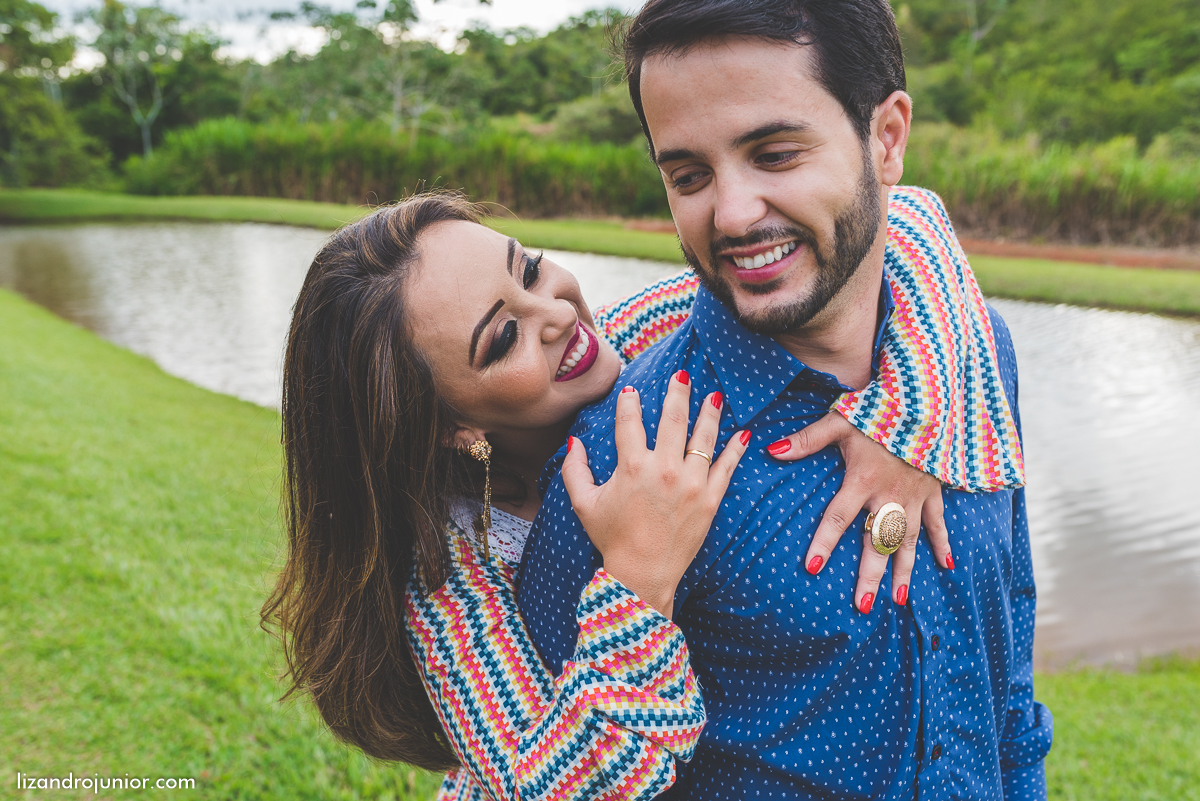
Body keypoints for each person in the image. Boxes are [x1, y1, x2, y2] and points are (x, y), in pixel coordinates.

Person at [517, 1, 1052, 799]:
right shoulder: (618, 458)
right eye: (688, 176)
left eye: (774, 154)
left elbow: (1007, 681)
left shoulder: (980, 351)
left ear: (887, 139)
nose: (732, 214)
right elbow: (557, 768)